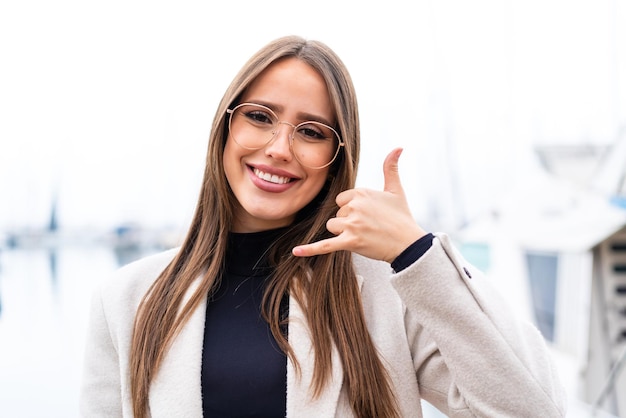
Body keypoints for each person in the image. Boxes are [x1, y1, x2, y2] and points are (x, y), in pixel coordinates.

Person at [80, 35, 566, 417]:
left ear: (336, 160)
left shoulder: (386, 293)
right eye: (259, 116)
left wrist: (417, 253)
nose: (279, 147)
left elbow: (533, 410)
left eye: (311, 132)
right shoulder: (125, 300)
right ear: (226, 128)